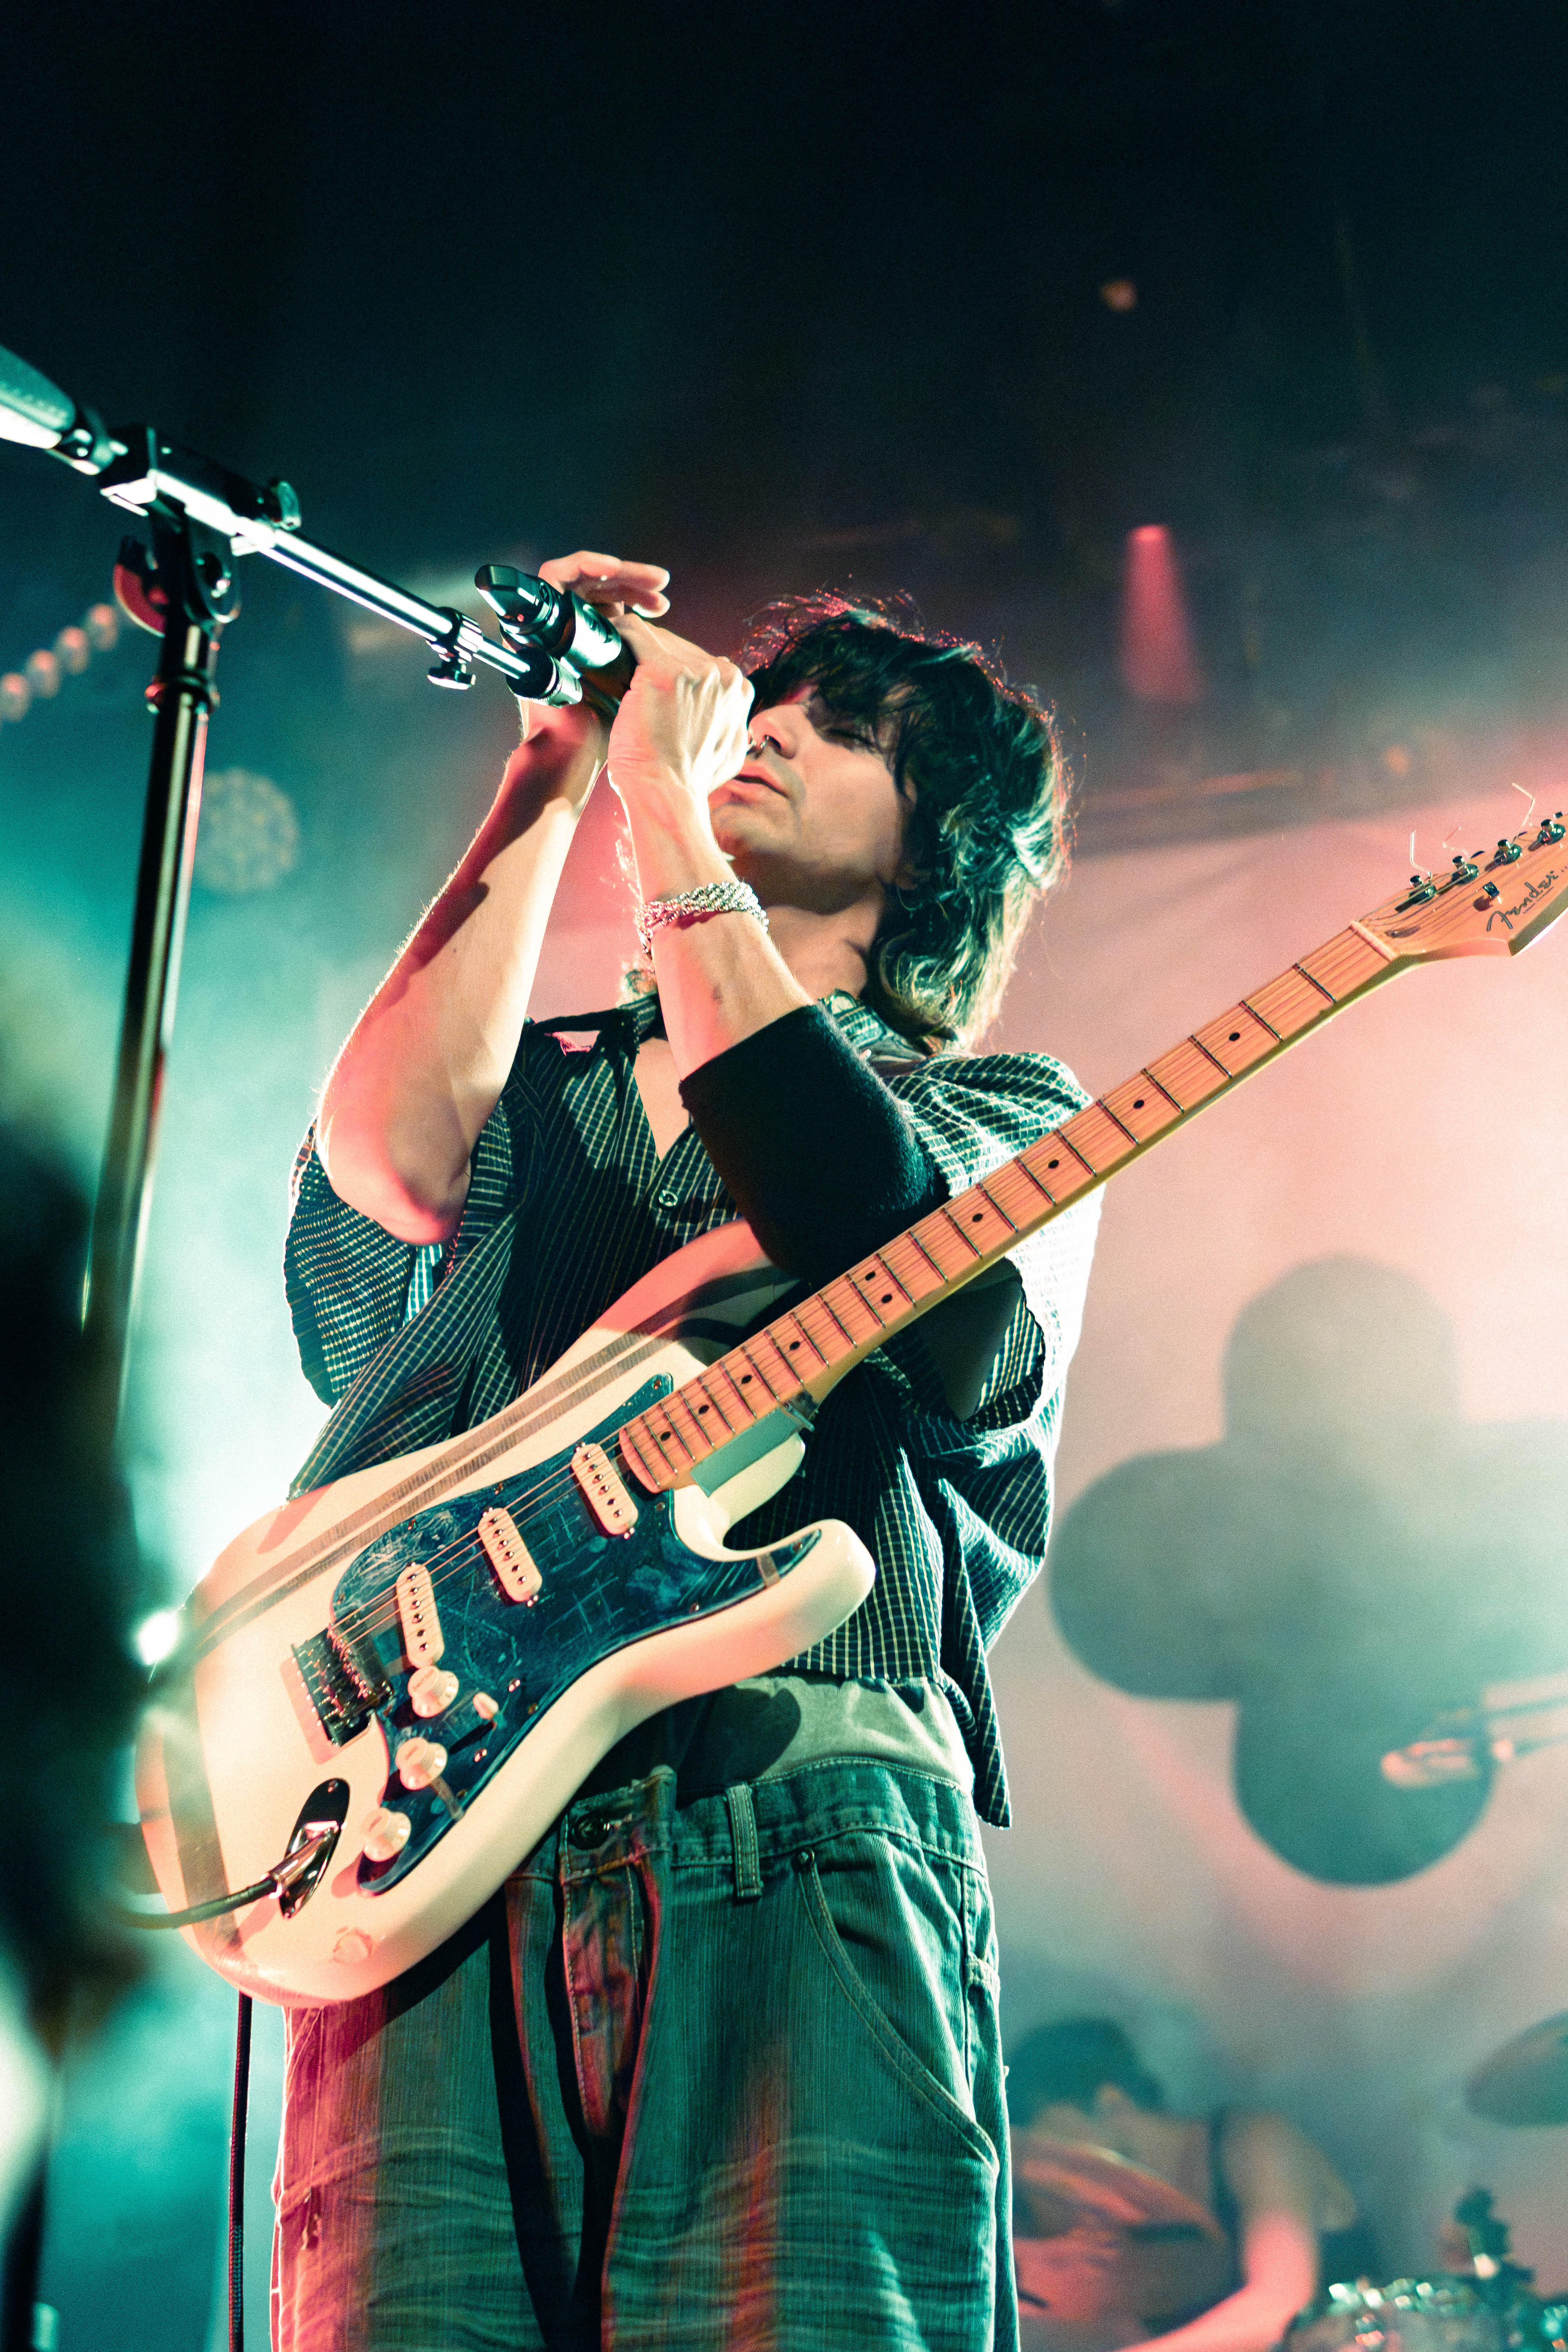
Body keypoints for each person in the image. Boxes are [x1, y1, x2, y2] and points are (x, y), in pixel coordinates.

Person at [273, 553, 1100, 2350]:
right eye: (780, 699)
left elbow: (846, 1209)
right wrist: (553, 768)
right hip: (432, 1836)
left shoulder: (998, 1116)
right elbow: (381, 1185)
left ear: (931, 852)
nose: (778, 729)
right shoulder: (544, 1082)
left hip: (787, 1802)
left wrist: (665, 813)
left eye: (852, 732)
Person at [1006, 2018, 1368, 2352]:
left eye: (1054, 2147)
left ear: (1111, 2104)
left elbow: (1280, 2306)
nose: (1054, 2172)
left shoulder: (1255, 2141)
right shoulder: (1134, 2227)